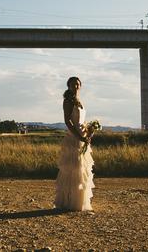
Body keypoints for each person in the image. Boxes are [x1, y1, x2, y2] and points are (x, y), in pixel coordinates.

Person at [54, 76, 95, 211]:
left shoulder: (79, 101)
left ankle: (80, 201)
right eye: (73, 84)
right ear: (69, 86)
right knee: (73, 169)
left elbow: (81, 120)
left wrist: (89, 130)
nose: (75, 86)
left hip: (82, 135)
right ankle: (69, 202)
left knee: (82, 169)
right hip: (74, 137)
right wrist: (78, 136)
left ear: (80, 86)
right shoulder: (68, 101)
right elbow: (68, 121)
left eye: (77, 84)